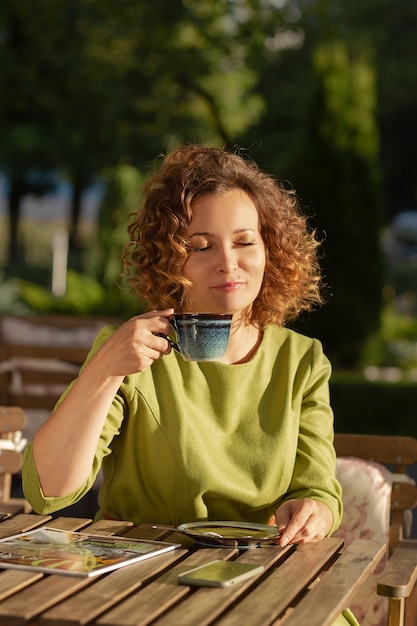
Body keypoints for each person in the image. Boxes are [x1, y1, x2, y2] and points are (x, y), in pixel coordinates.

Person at [22, 145, 356, 624]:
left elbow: (319, 489)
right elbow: (48, 493)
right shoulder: (128, 351)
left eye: (245, 241)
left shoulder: (301, 360)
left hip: (258, 585)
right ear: (168, 259)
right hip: (141, 588)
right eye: (200, 246)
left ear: (270, 250)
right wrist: (103, 371)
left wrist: (315, 510)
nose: (228, 262)